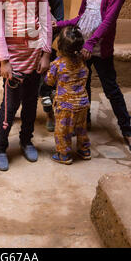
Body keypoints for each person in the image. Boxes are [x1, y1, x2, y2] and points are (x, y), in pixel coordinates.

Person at [56, 0, 131, 154]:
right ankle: (82, 124)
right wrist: (60, 24)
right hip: (81, 50)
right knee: (82, 86)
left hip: (99, 50)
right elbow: (81, 19)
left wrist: (90, 44)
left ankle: (128, 131)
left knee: (111, 89)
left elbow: (108, 22)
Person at [0, 0, 52, 171]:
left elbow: (46, 23)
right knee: (9, 106)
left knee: (29, 105)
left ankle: (26, 141)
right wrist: (4, 61)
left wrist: (46, 54)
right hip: (13, 61)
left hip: (35, 58)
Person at [45, 26, 91, 164]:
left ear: (60, 46)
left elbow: (49, 81)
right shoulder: (82, 60)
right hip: (82, 103)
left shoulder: (57, 64)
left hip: (65, 106)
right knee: (81, 128)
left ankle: (64, 154)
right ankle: (84, 150)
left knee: (62, 130)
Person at [35, 0, 64, 131]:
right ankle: (11, 111)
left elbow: (58, 24)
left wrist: (50, 22)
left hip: (46, 47)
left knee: (47, 82)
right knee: (19, 82)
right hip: (26, 47)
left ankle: (49, 113)